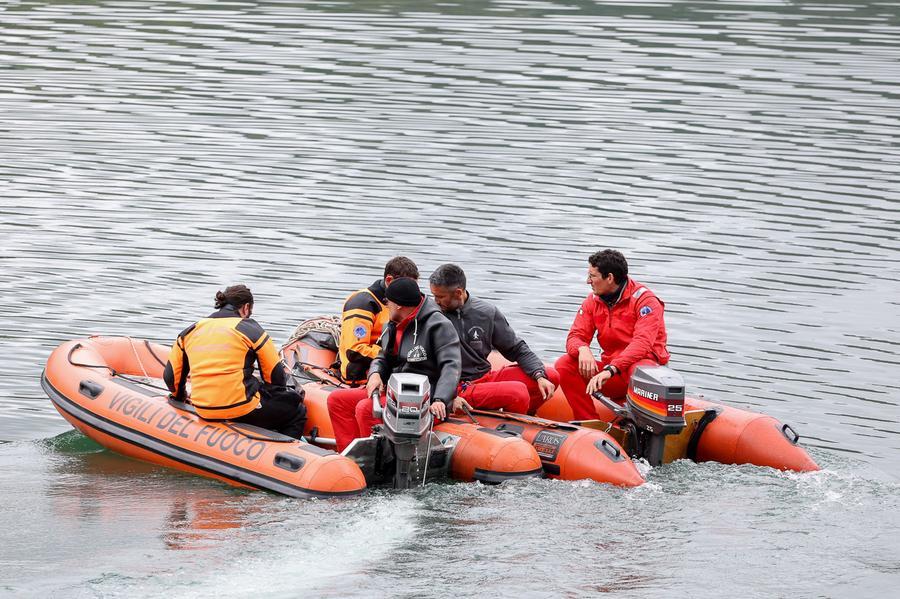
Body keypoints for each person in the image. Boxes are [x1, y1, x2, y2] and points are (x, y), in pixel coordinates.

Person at [327, 277, 461, 452]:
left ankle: (377, 463)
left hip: (424, 398)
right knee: (337, 400)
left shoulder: (439, 326)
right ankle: (350, 457)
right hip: (394, 392)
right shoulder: (392, 324)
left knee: (366, 409)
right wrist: (375, 373)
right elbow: (382, 356)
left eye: (387, 302)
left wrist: (440, 399)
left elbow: (451, 366)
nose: (385, 305)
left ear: (398, 305)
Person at [163, 284, 307, 439]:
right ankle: (280, 453)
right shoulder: (250, 328)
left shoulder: (189, 331)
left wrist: (182, 397)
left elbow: (171, 379)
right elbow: (275, 377)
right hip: (242, 408)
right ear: (246, 308)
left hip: (202, 408)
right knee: (297, 411)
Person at [554, 249, 670, 421]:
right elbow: (575, 336)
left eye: (592, 276)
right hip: (612, 374)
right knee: (565, 364)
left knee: (640, 369)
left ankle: (640, 428)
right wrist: (582, 349)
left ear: (609, 278)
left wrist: (612, 368)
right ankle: (589, 423)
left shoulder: (645, 301)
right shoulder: (593, 301)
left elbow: (642, 343)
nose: (588, 281)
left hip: (637, 374)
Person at [429, 263, 559, 415]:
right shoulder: (432, 315)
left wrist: (539, 375)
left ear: (458, 293)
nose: (435, 301)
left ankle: (526, 416)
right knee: (518, 392)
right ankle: (509, 425)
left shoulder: (486, 312)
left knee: (551, 376)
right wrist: (448, 396)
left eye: (440, 297)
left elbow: (516, 348)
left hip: (484, 378)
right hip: (457, 387)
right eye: (433, 296)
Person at [336, 256, 420, 385]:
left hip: (394, 368)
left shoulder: (406, 302)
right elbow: (355, 350)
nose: (409, 291)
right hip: (362, 373)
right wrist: (396, 356)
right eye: (405, 286)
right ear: (389, 280)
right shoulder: (362, 303)